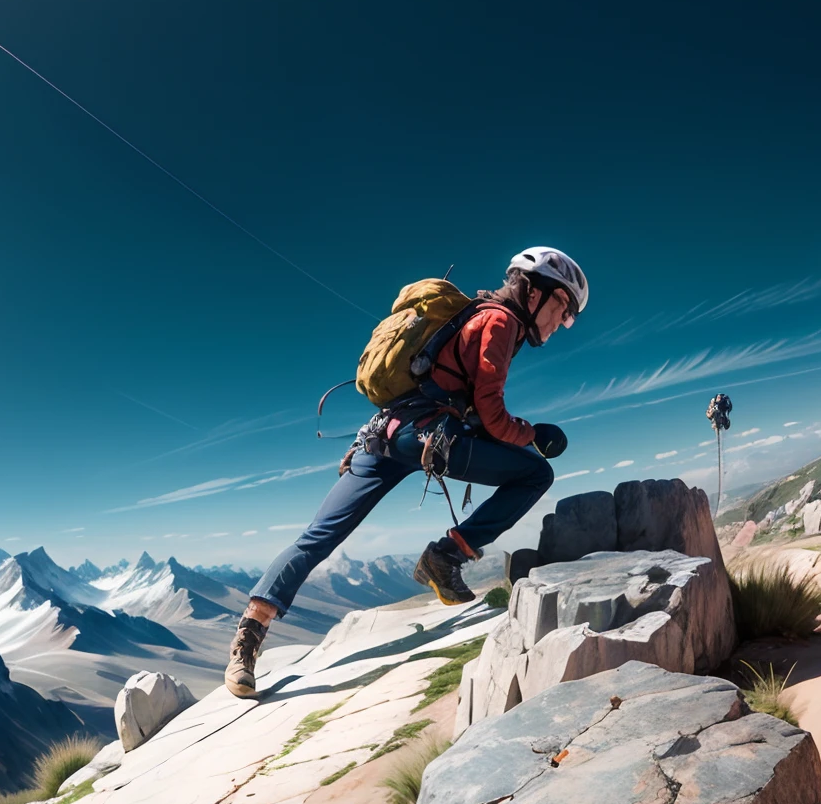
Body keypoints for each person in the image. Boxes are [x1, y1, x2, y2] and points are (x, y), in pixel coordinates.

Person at [224, 247, 588, 697]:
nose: (561, 321)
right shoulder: (500, 321)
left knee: (317, 536)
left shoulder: (474, 313)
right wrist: (533, 434)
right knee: (535, 475)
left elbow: (451, 397)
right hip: (427, 438)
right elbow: (492, 415)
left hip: (382, 436)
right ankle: (447, 555)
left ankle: (246, 643)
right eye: (562, 307)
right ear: (533, 292)